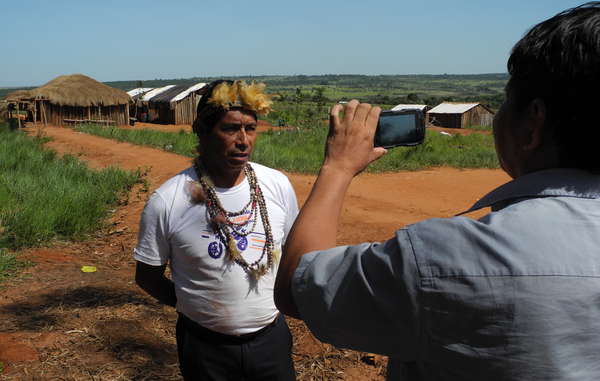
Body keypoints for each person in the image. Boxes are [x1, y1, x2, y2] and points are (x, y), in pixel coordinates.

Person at [275, 3, 600, 380]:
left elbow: (296, 288)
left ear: (532, 126)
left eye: (506, 99)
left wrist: (337, 167)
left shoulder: (449, 258)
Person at [135, 80, 298, 381]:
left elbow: (294, 254)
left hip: (271, 341)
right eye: (230, 128)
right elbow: (147, 276)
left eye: (250, 129)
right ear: (203, 130)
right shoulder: (168, 200)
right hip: (204, 348)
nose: (243, 140)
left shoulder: (277, 186)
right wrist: (193, 305)